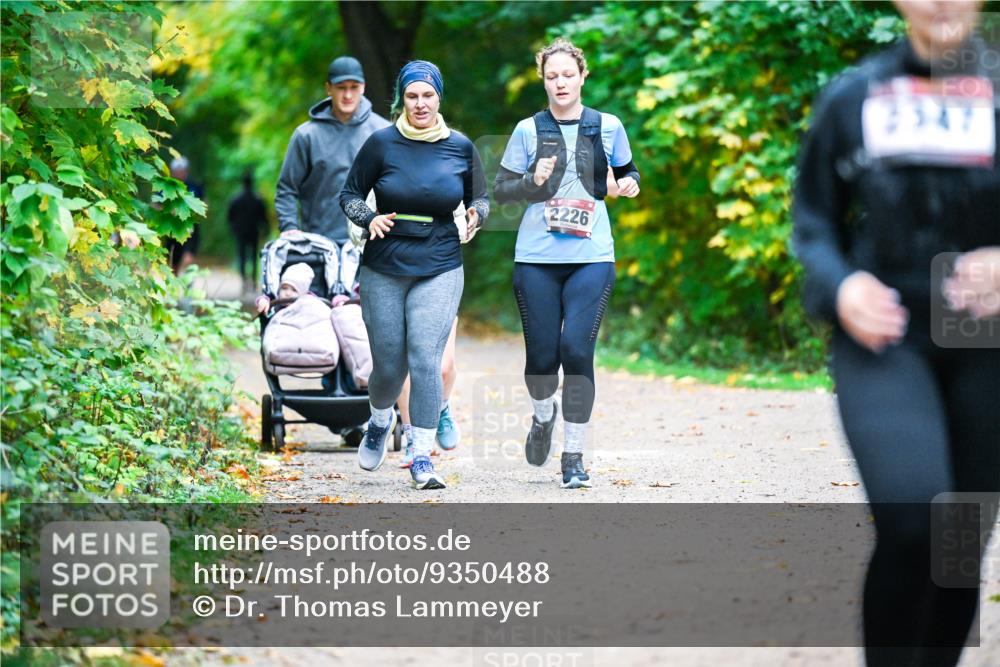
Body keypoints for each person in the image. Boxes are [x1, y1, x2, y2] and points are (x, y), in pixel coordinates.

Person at [792, 2, 999, 664]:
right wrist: (843, 285)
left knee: (959, 539)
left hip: (986, 339)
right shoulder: (853, 96)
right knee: (914, 520)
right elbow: (814, 223)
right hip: (887, 328)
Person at [493, 38, 640, 489]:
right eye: (551, 76)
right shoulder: (528, 129)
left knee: (576, 350)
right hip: (536, 257)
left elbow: (629, 172)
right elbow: (501, 190)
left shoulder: (608, 126)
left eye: (567, 75)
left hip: (592, 256)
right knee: (541, 358)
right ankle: (543, 417)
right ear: (543, 79)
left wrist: (629, 185)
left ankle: (573, 456)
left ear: (582, 76)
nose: (560, 82)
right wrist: (530, 181)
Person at [340, 60, 488, 490]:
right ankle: (379, 419)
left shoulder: (460, 147)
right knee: (388, 367)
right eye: (412, 96)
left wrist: (476, 214)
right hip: (385, 264)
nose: (420, 103)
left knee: (426, 358)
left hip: (440, 262)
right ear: (401, 99)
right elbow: (349, 194)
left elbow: (481, 197)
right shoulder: (381, 144)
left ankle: (420, 454)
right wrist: (368, 218)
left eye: (428, 95)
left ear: (439, 98)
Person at [275, 56, 390, 243]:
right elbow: (287, 188)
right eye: (341, 87)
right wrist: (289, 226)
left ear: (363, 88)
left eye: (354, 87)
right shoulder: (306, 136)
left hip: (371, 242)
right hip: (319, 243)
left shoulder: (383, 132)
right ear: (329, 88)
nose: (348, 95)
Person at [227, 172, 269, 292]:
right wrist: (265, 230)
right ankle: (254, 281)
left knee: (242, 256)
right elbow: (263, 217)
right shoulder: (257, 199)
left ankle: (244, 281)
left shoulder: (235, 199)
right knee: (254, 256)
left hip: (241, 232)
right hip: (254, 232)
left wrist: (233, 229)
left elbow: (230, 217)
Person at [165, 156, 204, 275]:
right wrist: (167, 211)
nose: (179, 174)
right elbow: (155, 204)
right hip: (172, 228)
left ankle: (189, 280)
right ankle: (174, 283)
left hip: (190, 227)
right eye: (176, 172)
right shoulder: (166, 185)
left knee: (188, 256)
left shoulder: (193, 185)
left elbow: (203, 204)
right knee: (173, 260)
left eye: (182, 171)